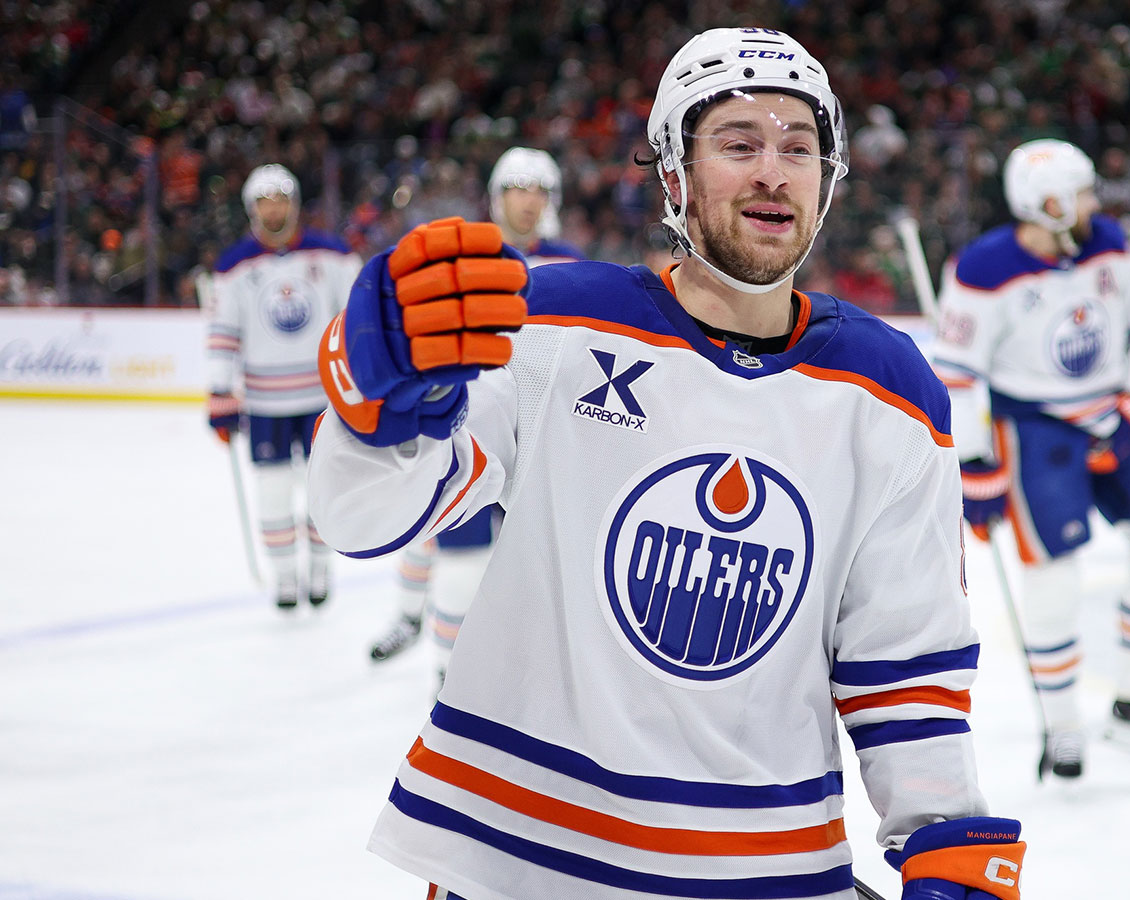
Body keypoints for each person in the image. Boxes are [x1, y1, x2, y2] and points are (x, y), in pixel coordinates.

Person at [307, 28, 1025, 900]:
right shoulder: (552, 326)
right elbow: (361, 519)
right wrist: (378, 409)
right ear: (674, 175)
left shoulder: (891, 391)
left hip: (763, 869)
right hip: (513, 859)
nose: (774, 170)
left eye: (800, 148)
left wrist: (945, 844)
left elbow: (904, 661)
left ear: (827, 184)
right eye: (738, 143)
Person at [930, 139, 1130, 781]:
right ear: (1049, 204)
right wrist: (975, 463)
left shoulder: (1106, 241)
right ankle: (1064, 729)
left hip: (1109, 418)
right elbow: (958, 374)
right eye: (1081, 193)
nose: (1093, 203)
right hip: (1036, 429)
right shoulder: (986, 268)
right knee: (1053, 576)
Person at [369, 147, 585, 682]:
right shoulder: (467, 255)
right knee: (437, 530)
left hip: (534, 430)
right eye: (517, 188)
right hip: (463, 418)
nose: (528, 201)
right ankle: (429, 645)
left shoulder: (575, 266)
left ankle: (459, 655)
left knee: (500, 555)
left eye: (538, 190)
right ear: (497, 195)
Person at [207, 164, 362, 610]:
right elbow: (223, 330)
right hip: (264, 402)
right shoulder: (234, 265)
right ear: (251, 208)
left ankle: (319, 568)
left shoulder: (331, 255)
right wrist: (220, 392)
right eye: (264, 202)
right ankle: (286, 579)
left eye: (281, 199)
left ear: (294, 203)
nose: (273, 210)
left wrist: (361, 380)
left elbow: (355, 320)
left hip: (322, 399)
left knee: (321, 490)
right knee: (273, 494)